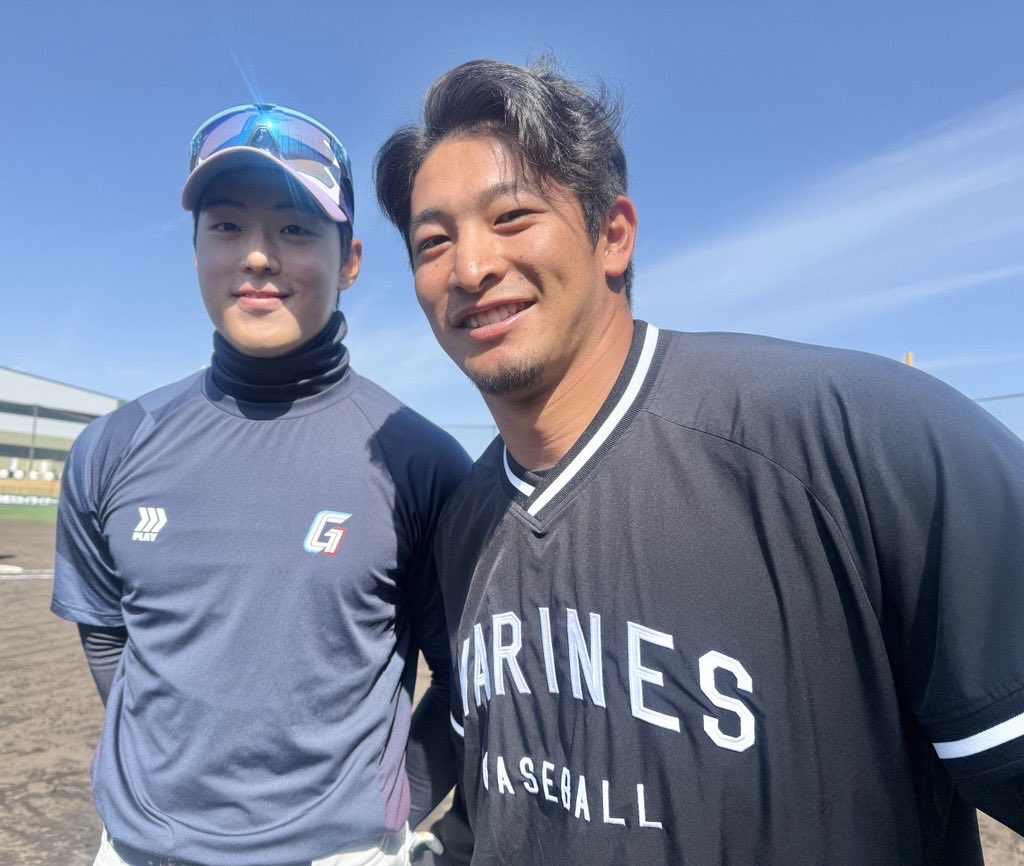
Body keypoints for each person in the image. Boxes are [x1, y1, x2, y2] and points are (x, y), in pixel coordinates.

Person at [374, 59, 1024, 864]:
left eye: (512, 217)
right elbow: (504, 800)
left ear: (613, 236)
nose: (469, 268)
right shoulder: (467, 522)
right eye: (433, 241)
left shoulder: (864, 441)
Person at [52, 103, 470, 866]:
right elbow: (107, 633)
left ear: (350, 261)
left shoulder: (422, 462)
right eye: (226, 226)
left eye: (295, 228)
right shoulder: (112, 446)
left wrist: (391, 806)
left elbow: (466, 681)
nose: (256, 256)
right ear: (195, 250)